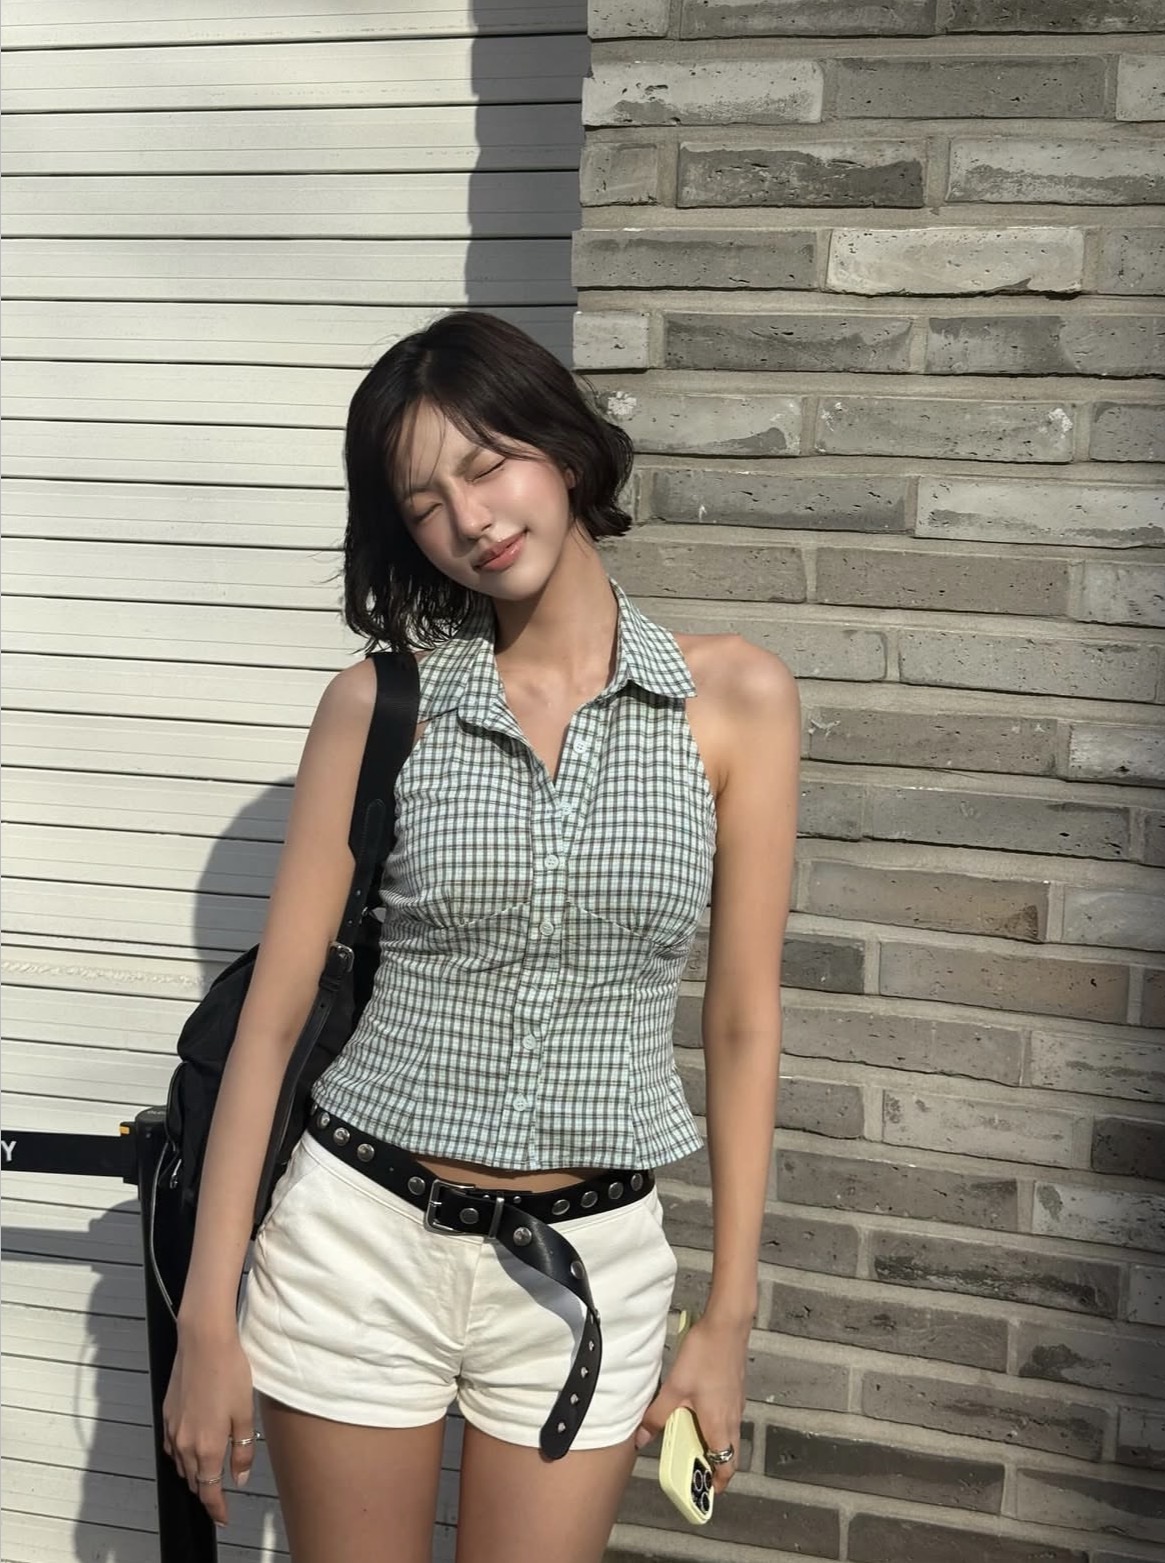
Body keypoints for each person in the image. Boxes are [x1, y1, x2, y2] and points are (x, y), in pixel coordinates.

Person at [162, 310, 799, 1563]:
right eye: (423, 502)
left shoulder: (734, 702)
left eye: (486, 462)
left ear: (561, 447)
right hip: (359, 1244)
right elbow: (275, 1022)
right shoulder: (378, 707)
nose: (469, 516)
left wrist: (728, 1317)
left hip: (588, 1267)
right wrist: (205, 1321)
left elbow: (741, 1021)